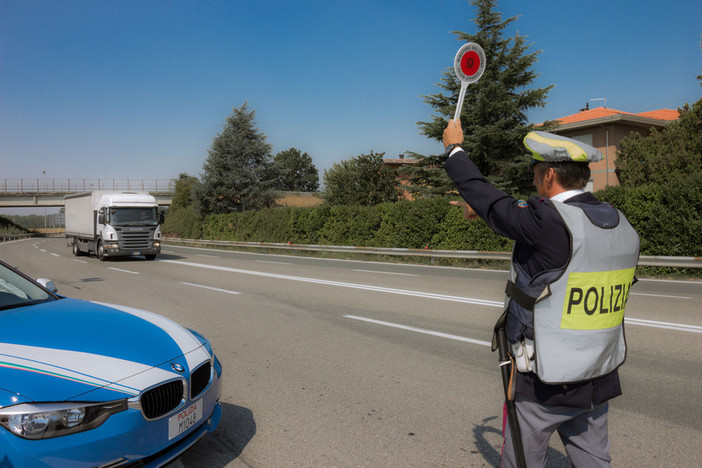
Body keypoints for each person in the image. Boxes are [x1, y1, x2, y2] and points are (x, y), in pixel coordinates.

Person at [442, 120, 640, 467]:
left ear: (549, 175)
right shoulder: (618, 221)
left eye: (535, 173)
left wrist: (454, 149)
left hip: (546, 383)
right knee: (595, 461)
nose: (533, 182)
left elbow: (493, 202)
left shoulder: (549, 221)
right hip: (599, 376)